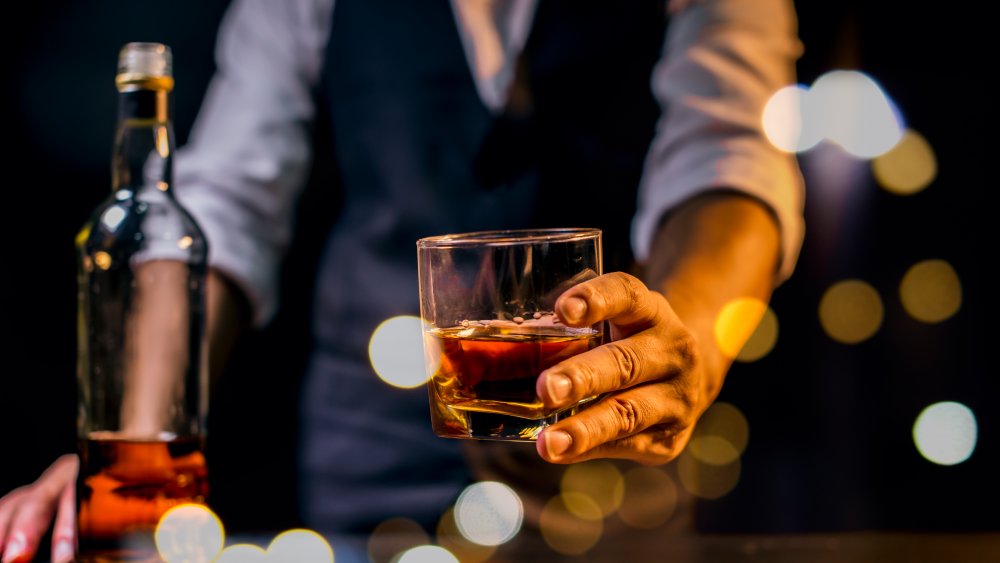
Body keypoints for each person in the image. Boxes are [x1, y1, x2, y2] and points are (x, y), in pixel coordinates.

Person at [0, 0, 804, 560]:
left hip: (613, 486)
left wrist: (681, 352)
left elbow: (729, 156)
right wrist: (138, 456)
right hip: (365, 487)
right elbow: (227, 204)